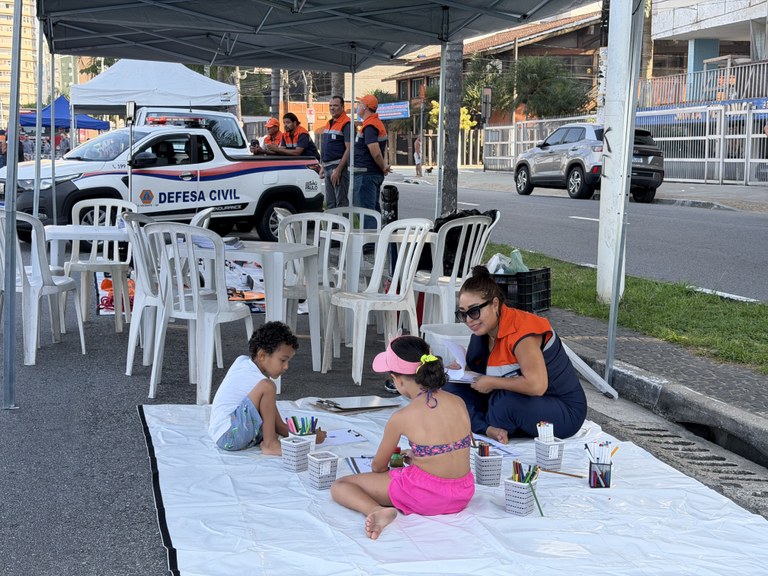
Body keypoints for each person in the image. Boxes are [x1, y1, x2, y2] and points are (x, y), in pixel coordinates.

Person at [331, 335, 474, 540]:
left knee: (341, 486)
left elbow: (378, 467)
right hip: (463, 493)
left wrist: (399, 467)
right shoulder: (458, 401)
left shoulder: (402, 417)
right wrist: (419, 457)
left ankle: (377, 510)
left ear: (396, 379)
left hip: (426, 497)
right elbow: (451, 448)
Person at [444, 265, 587, 443]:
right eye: (462, 314)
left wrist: (492, 382)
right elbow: (479, 375)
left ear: (495, 304)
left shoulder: (522, 333)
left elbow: (537, 385)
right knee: (449, 388)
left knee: (503, 404)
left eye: (474, 311)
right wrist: (460, 372)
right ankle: (488, 428)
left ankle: (483, 423)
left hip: (562, 409)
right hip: (519, 399)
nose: (468, 320)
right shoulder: (482, 333)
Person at [208, 321, 326, 455]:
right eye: (283, 360)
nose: (286, 366)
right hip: (229, 435)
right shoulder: (262, 384)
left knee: (267, 388)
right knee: (268, 386)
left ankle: (270, 441)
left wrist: (310, 436)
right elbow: (278, 425)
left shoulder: (243, 362)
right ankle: (270, 444)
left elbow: (279, 426)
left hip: (225, 435)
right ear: (262, 355)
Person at [352, 94, 391, 229]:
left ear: (365, 107)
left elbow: (375, 152)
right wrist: (383, 167)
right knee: (372, 210)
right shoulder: (373, 123)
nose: (357, 107)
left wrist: (383, 167)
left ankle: (371, 240)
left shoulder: (370, 125)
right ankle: (376, 237)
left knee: (366, 212)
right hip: (369, 174)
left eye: (359, 104)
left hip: (366, 175)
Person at [320, 95, 351, 209]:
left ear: (342, 107)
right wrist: (323, 166)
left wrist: (338, 170)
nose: (332, 108)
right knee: (330, 204)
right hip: (327, 167)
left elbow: (349, 148)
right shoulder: (329, 122)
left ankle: (343, 222)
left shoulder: (346, 124)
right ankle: (333, 223)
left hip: (338, 167)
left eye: (336, 106)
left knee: (341, 203)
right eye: (330, 106)